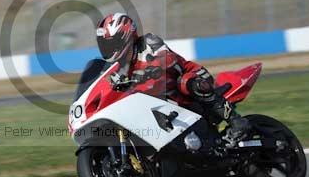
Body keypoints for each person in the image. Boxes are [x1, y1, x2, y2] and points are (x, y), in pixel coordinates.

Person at [95, 13, 250, 144]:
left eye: (111, 43)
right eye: (105, 45)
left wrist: (148, 71)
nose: (108, 48)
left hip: (191, 78)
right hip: (166, 102)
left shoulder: (148, 42)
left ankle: (236, 121)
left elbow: (167, 59)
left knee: (186, 82)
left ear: (126, 36)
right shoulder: (120, 67)